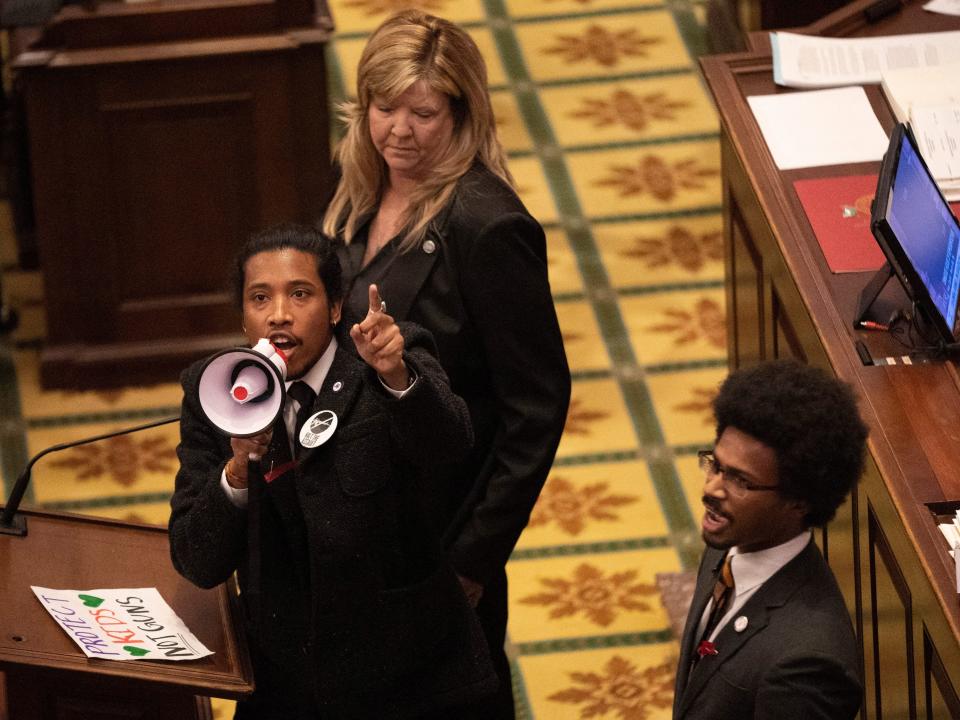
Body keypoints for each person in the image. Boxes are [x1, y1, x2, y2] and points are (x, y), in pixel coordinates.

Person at [321, 10, 571, 718]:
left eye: (423, 112)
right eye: (384, 106)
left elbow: (536, 411)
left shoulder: (489, 227)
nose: (399, 129)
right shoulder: (359, 185)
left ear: (461, 113)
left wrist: (471, 560)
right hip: (354, 519)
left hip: (434, 537)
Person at [169, 224, 497, 719]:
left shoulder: (385, 354)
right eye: (260, 298)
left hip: (410, 673)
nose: (279, 315)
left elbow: (450, 445)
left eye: (299, 294)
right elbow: (197, 558)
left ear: (337, 307)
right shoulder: (214, 393)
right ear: (243, 317)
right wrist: (238, 470)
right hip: (288, 681)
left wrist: (396, 376)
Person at [673, 360, 868, 720]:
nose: (712, 488)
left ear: (799, 500)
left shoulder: (808, 666)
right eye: (715, 465)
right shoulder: (731, 543)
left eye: (740, 481)